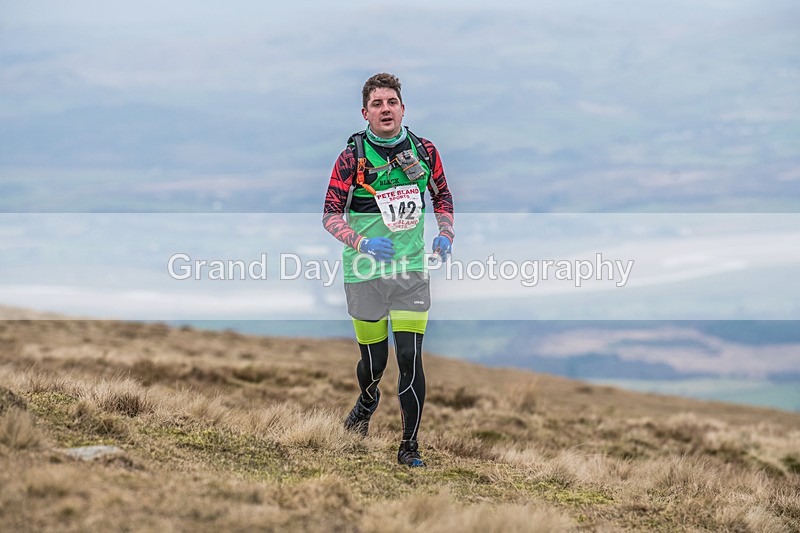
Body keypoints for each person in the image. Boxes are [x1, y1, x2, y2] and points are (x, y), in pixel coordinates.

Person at [322, 73, 454, 468]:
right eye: (377, 104)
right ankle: (367, 400)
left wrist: (446, 232)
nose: (385, 109)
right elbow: (330, 214)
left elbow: (442, 196)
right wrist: (362, 243)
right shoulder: (352, 158)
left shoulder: (424, 151)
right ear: (365, 113)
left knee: (410, 358)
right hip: (363, 273)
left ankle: (409, 446)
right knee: (374, 363)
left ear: (403, 108)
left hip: (410, 270)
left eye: (391, 102)